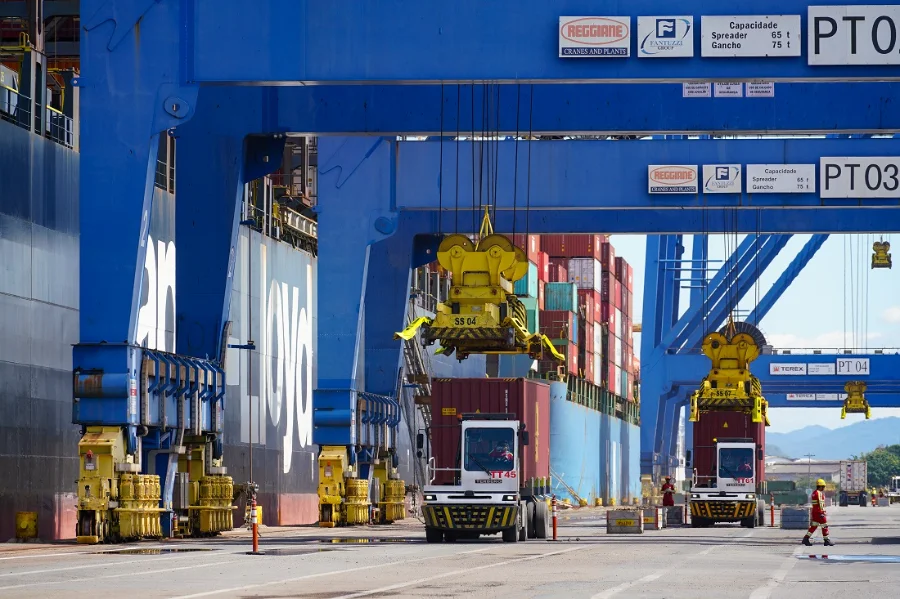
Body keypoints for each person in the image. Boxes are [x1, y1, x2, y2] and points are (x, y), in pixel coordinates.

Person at [802, 479, 834, 546]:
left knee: (814, 526)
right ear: (821, 486)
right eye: (823, 486)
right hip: (819, 512)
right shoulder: (818, 493)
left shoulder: (814, 493)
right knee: (824, 526)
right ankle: (826, 540)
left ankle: (806, 538)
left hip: (815, 512)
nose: (824, 488)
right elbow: (820, 503)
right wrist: (823, 512)